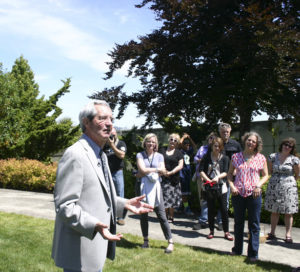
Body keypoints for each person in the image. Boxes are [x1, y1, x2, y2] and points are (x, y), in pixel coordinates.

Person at [52, 100, 153, 272]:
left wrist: (124, 204)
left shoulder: (101, 154)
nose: (109, 124)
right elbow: (64, 206)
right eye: (102, 118)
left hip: (93, 252)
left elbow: (96, 194)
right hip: (79, 254)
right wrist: (94, 225)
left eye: (111, 119)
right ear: (86, 122)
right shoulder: (76, 154)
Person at [228, 131, 269, 262]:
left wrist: (258, 185)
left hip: (254, 194)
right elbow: (229, 174)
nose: (250, 142)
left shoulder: (261, 158)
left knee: (254, 225)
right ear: (245, 140)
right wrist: (232, 186)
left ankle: (253, 253)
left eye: (253, 141)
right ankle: (237, 249)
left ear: (257, 144)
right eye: (249, 140)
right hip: (238, 194)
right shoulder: (235, 157)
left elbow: (266, 175)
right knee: (238, 223)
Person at [136, 133, 174, 253]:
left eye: (153, 142)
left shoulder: (159, 156)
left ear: (156, 144)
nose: (151, 144)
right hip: (142, 188)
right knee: (143, 215)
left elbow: (161, 171)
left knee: (162, 215)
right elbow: (141, 170)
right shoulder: (140, 155)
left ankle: (170, 241)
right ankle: (146, 240)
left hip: (156, 189)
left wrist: (146, 172)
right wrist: (156, 170)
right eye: (149, 141)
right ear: (145, 142)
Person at [265, 137, 300, 243]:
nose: (287, 147)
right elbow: (270, 171)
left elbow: (297, 174)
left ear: (292, 148)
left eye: (290, 146)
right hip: (274, 187)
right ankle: (272, 232)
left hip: (289, 188)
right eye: (286, 144)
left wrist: (289, 182)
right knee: (274, 211)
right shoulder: (272, 157)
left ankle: (288, 234)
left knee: (288, 212)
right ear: (282, 145)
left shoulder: (295, 159)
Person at [199, 137, 233, 241]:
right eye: (215, 145)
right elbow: (201, 170)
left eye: (219, 146)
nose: (217, 148)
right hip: (209, 187)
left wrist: (217, 177)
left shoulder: (225, 158)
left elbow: (226, 171)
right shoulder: (206, 157)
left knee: (224, 210)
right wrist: (208, 180)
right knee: (211, 209)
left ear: (221, 146)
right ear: (212, 146)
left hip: (221, 187)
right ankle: (211, 231)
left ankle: (226, 232)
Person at [218, 123, 242, 231]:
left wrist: (236, 169)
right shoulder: (217, 144)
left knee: (229, 200)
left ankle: (227, 220)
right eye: (223, 132)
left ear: (230, 131)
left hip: (233, 176)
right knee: (222, 199)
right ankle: (220, 221)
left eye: (227, 131)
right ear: (220, 132)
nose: (225, 133)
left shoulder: (236, 144)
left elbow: (241, 158)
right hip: (220, 175)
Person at [193, 132, 217, 230]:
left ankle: (214, 220)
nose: (212, 139)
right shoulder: (203, 148)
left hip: (214, 178)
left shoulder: (217, 148)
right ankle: (203, 220)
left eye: (214, 138)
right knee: (203, 199)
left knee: (215, 199)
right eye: (210, 138)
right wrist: (200, 160)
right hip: (201, 177)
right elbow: (195, 158)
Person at [104, 127, 127, 225]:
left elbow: (122, 155)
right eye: (109, 134)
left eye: (113, 134)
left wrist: (112, 145)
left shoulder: (121, 144)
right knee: (107, 193)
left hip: (117, 172)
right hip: (107, 172)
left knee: (119, 194)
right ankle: (107, 215)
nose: (111, 136)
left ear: (116, 134)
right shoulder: (105, 144)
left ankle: (120, 217)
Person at [161, 133, 184, 223]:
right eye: (171, 139)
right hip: (163, 178)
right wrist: (163, 171)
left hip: (173, 179)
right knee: (164, 198)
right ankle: (165, 216)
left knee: (172, 199)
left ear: (177, 143)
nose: (173, 142)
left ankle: (171, 216)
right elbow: (159, 160)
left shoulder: (178, 153)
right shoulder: (162, 150)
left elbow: (180, 165)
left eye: (175, 140)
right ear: (169, 140)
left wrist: (171, 172)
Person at [179, 133, 197, 216]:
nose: (187, 146)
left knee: (186, 192)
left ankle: (182, 206)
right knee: (183, 192)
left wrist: (189, 137)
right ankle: (186, 208)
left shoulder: (189, 152)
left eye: (188, 144)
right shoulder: (180, 152)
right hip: (181, 173)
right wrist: (183, 137)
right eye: (185, 144)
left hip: (187, 173)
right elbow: (179, 143)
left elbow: (194, 146)